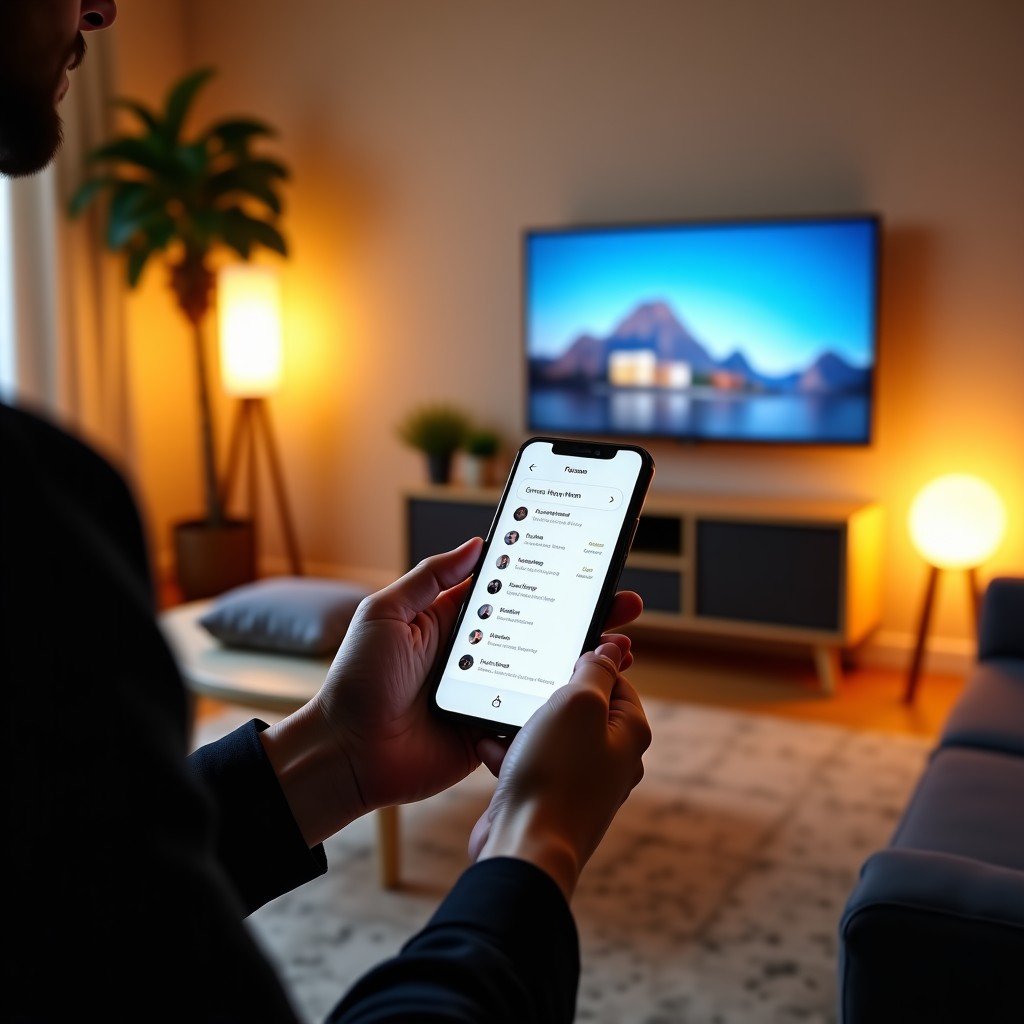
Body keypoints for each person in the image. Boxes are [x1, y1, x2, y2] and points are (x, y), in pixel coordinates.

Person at [2, 3, 652, 1020]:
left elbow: (52, 916)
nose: (103, 7)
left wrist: (338, 753)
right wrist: (536, 835)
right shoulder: (31, 516)